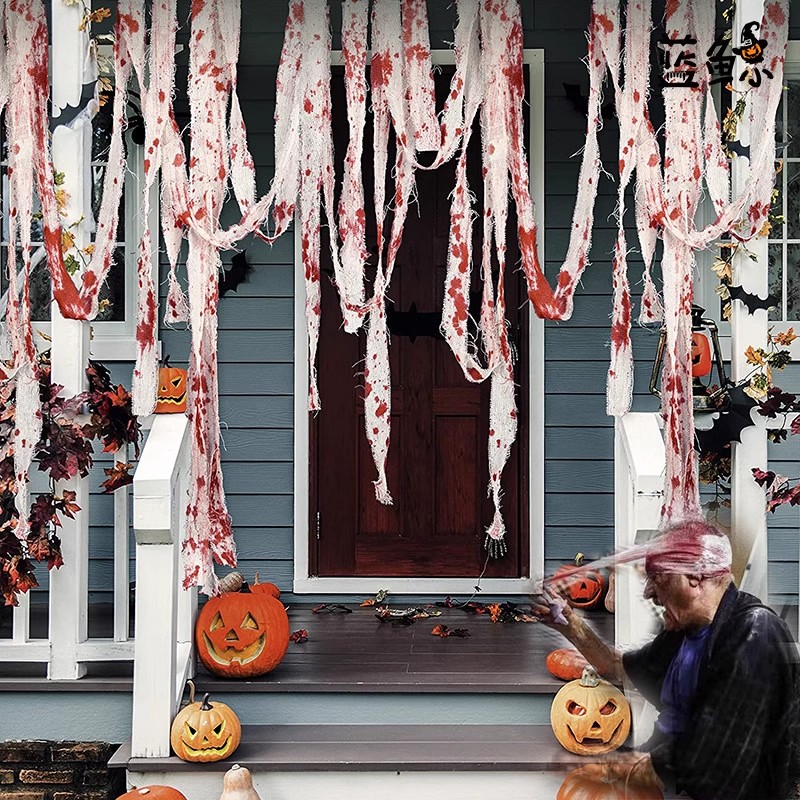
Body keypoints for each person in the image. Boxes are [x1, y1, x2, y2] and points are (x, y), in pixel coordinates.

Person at [536, 519, 800, 800]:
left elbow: (716, 751)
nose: (649, 591)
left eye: (658, 577)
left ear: (695, 578)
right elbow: (617, 668)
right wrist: (571, 625)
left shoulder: (755, 633)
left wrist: (617, 766)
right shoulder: (687, 630)